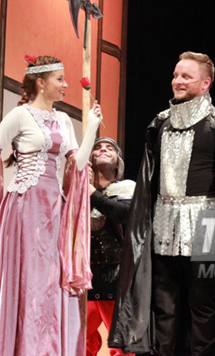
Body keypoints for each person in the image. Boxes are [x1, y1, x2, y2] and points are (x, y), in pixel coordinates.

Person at [109, 52, 215, 356]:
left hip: (208, 226)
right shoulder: (159, 123)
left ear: (205, 83)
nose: (177, 81)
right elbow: (148, 184)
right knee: (166, 309)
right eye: (176, 75)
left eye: (186, 76)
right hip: (165, 227)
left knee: (205, 309)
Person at [0, 55, 102, 356]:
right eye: (60, 79)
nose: (66, 85)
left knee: (48, 282)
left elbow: (77, 165)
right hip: (23, 209)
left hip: (54, 211)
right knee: (24, 280)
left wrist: (91, 128)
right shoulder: (19, 116)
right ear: (41, 83)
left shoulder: (64, 119)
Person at [86, 137, 136, 356]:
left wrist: (91, 193)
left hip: (115, 276)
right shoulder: (77, 190)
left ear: (118, 163)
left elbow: (123, 214)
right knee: (81, 341)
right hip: (84, 276)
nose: (103, 149)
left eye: (110, 148)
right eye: (97, 147)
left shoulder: (127, 188)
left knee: (120, 344)